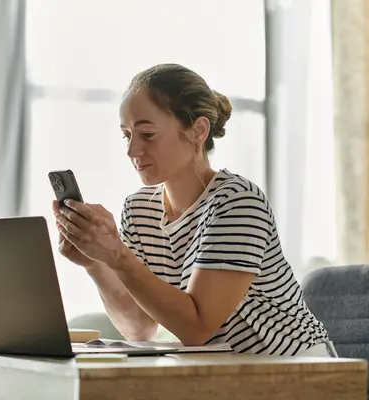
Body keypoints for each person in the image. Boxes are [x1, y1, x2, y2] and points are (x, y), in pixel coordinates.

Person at [52, 63, 336, 357]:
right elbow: (139, 328)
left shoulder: (237, 202)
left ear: (198, 130)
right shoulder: (138, 210)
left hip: (295, 368)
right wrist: (97, 264)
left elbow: (198, 328)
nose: (132, 150)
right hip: (224, 372)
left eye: (147, 134)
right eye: (127, 135)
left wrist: (118, 255)